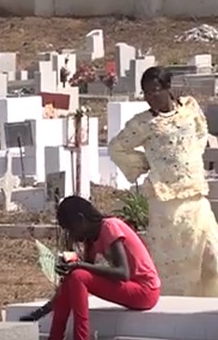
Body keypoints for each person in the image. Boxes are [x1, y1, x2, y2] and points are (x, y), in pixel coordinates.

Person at [109, 66, 218, 296]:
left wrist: (189, 160)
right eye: (146, 93)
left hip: (195, 196)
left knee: (212, 254)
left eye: (155, 90)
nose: (150, 97)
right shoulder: (143, 123)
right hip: (166, 203)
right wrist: (145, 163)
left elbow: (200, 133)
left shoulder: (189, 108)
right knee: (176, 266)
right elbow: (117, 148)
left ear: (168, 88)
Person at [20, 196, 160, 340]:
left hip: (146, 290)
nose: (71, 235)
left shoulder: (110, 226)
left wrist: (79, 265)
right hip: (133, 289)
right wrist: (42, 312)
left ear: (81, 219)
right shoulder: (91, 240)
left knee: (77, 275)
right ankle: (54, 337)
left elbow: (122, 272)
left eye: (71, 229)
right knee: (74, 275)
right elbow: (79, 282)